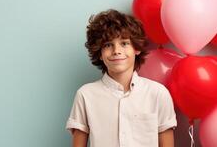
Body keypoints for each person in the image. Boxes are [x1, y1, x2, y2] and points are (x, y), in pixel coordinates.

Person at [65, 9, 177, 147]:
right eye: (108, 45)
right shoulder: (85, 95)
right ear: (99, 53)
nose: (116, 51)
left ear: (136, 48)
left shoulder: (158, 94)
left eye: (124, 43)